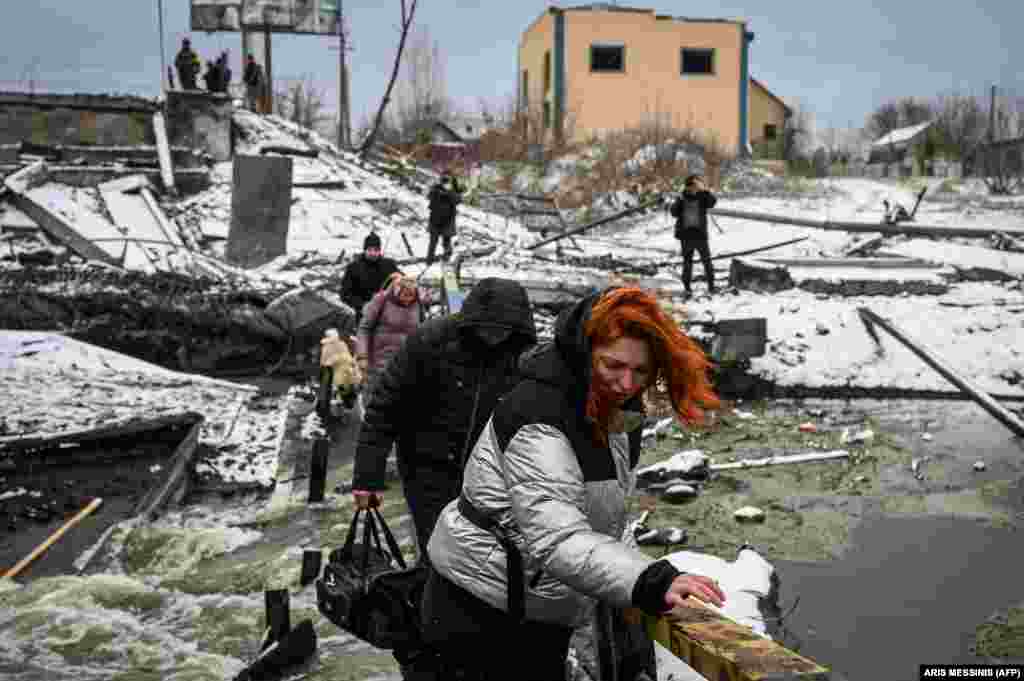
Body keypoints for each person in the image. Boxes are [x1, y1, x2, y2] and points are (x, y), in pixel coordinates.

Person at [421, 286, 726, 681]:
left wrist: (633, 576)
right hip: (480, 612)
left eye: (641, 371)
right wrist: (649, 580)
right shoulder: (540, 416)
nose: (627, 383)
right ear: (584, 354)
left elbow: (603, 519)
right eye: (612, 365)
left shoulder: (608, 408)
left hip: (535, 602)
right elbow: (560, 538)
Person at [351, 277, 537, 680]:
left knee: (487, 565)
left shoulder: (525, 358)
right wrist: (368, 478)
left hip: (490, 481)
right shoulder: (430, 343)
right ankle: (427, 655)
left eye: (502, 330)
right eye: (486, 328)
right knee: (439, 560)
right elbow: (384, 407)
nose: (493, 336)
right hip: (428, 471)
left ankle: (474, 650)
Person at [355, 272, 431, 398]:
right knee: (375, 399)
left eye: (411, 296)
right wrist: (362, 356)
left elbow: (422, 330)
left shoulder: (418, 304)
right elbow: (364, 328)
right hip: (379, 362)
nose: (408, 300)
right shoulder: (382, 300)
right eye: (405, 295)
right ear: (397, 291)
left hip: (405, 363)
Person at [670, 174, 718, 297]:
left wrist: (705, 190)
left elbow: (712, 203)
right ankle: (687, 287)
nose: (695, 188)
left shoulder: (702, 196)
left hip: (700, 235)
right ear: (688, 186)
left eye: (697, 185)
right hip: (686, 236)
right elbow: (674, 213)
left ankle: (711, 286)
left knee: (707, 262)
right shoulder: (681, 197)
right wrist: (679, 200)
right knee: (687, 263)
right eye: (693, 186)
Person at [340, 232, 400, 325]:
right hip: (364, 316)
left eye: (376, 250)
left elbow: (403, 281)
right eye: (369, 250)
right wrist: (362, 305)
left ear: (380, 250)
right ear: (364, 250)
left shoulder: (389, 265)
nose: (373, 253)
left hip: (387, 315)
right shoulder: (354, 268)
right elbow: (345, 294)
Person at [425, 170, 463, 265]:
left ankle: (447, 259)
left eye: (447, 179)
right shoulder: (436, 188)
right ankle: (429, 261)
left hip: (448, 220)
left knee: (446, 242)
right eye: (444, 178)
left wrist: (449, 192)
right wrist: (436, 190)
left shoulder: (454, 189)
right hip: (435, 219)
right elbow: (429, 196)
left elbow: (458, 200)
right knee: (433, 242)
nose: (445, 181)